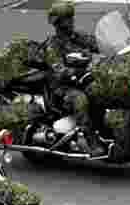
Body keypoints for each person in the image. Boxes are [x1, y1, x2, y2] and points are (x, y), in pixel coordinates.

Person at [40, 2, 105, 157]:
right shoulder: (52, 45)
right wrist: (75, 71)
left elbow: (101, 45)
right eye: (66, 19)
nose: (71, 21)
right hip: (62, 89)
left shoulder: (79, 37)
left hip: (84, 81)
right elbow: (58, 69)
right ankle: (91, 140)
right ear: (57, 22)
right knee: (80, 99)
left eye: (71, 17)